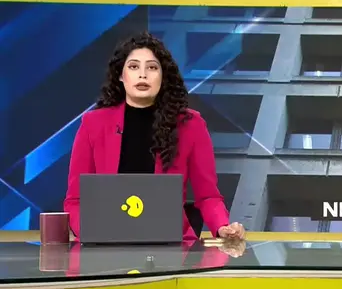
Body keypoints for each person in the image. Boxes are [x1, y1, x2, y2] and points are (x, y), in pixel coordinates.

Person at [63, 32, 245, 241]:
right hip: (105, 243)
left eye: (152, 67)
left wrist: (222, 226)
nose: (143, 75)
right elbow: (75, 201)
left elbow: (208, 196)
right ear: (121, 75)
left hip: (170, 244)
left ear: (162, 76)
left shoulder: (190, 125)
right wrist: (90, 232)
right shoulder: (93, 124)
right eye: (133, 67)